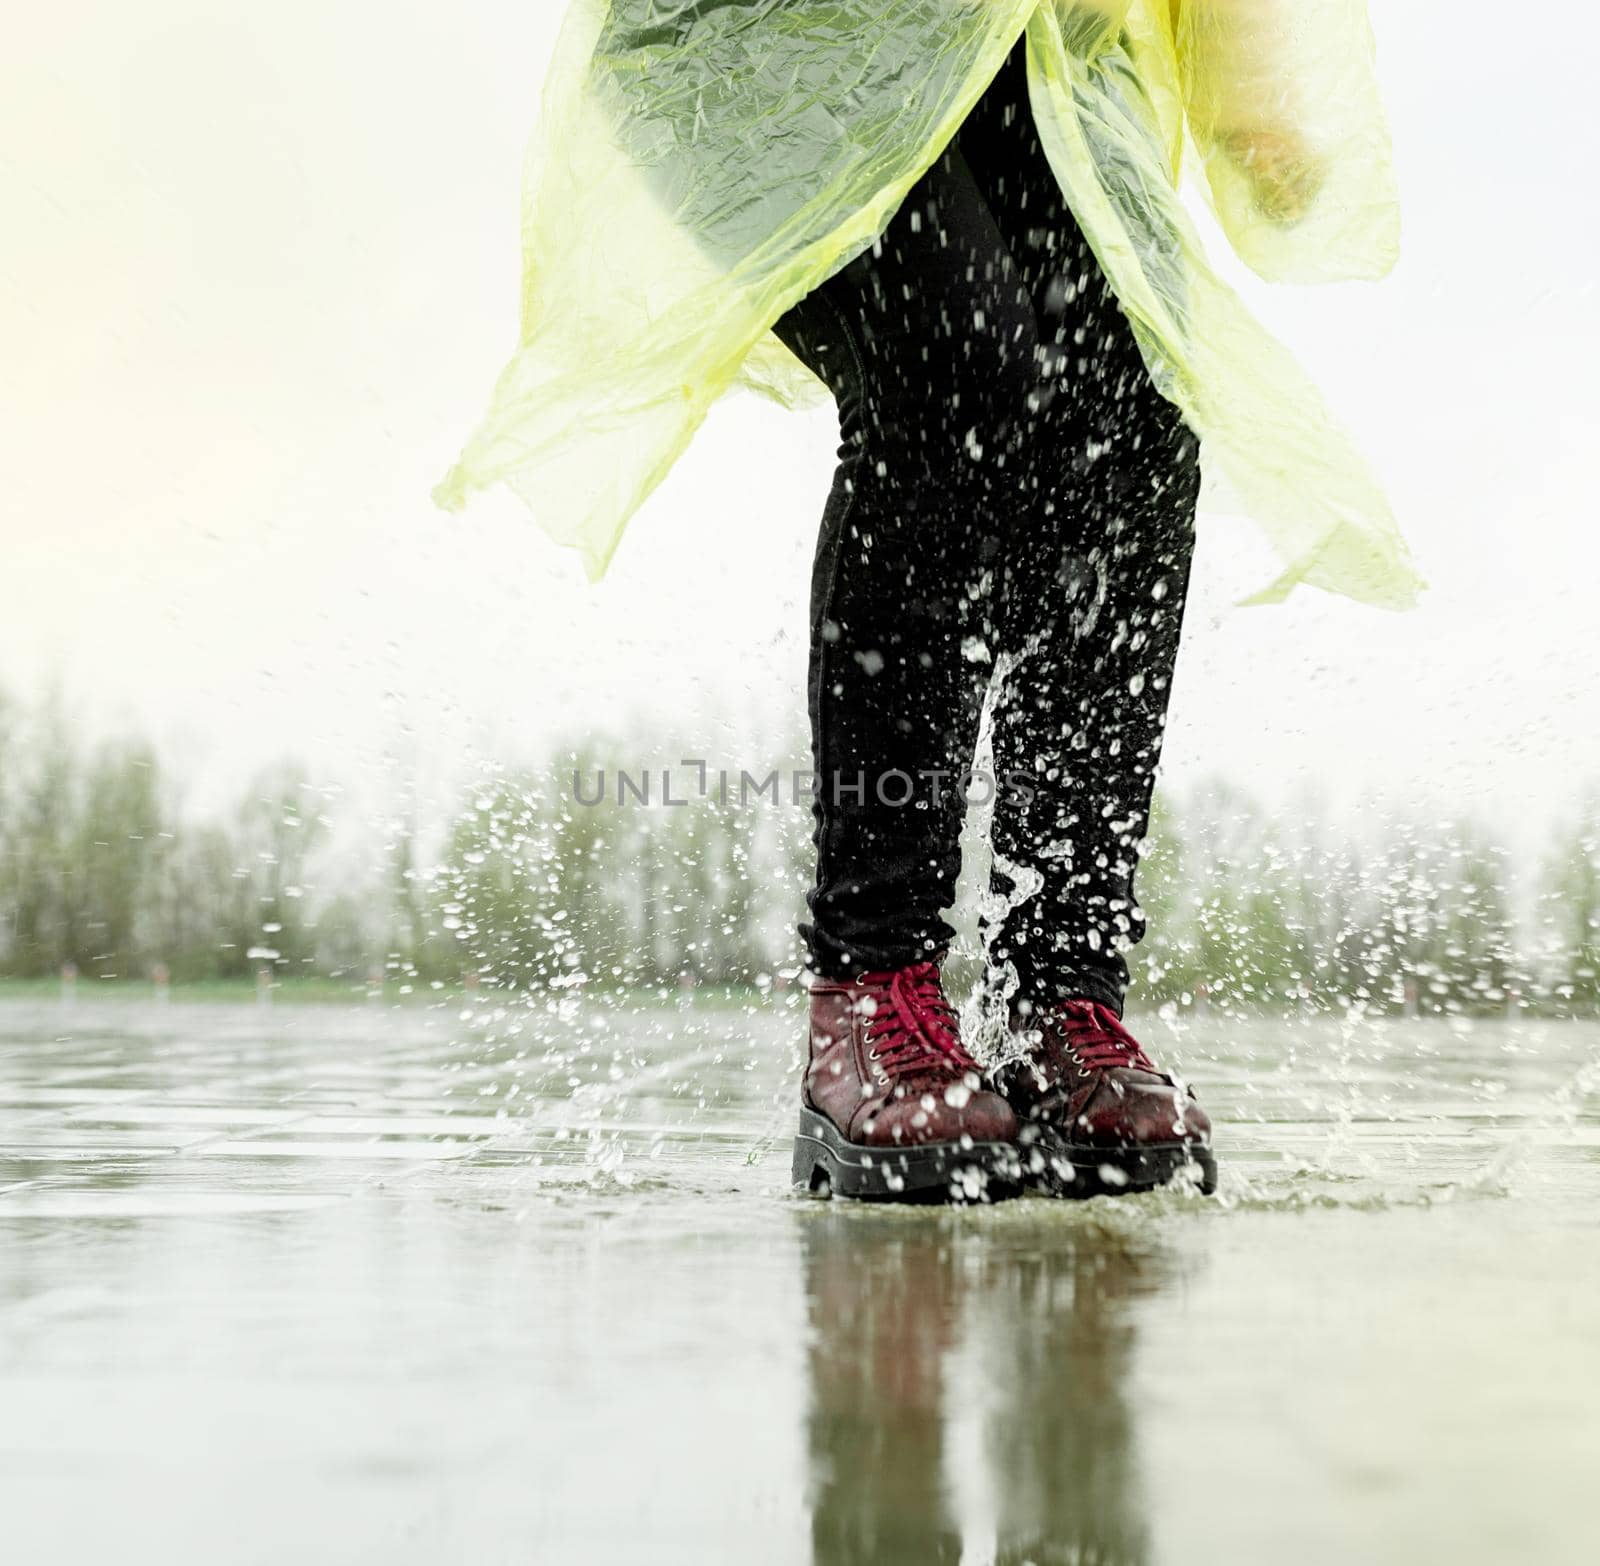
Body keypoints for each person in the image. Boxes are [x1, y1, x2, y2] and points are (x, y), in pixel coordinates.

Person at [434, 2, 1420, 1202]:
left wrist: (1252, 83)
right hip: (774, 28)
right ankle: (871, 992)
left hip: (1038, 46)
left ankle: (1060, 994)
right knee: (950, 353)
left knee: (1142, 423)